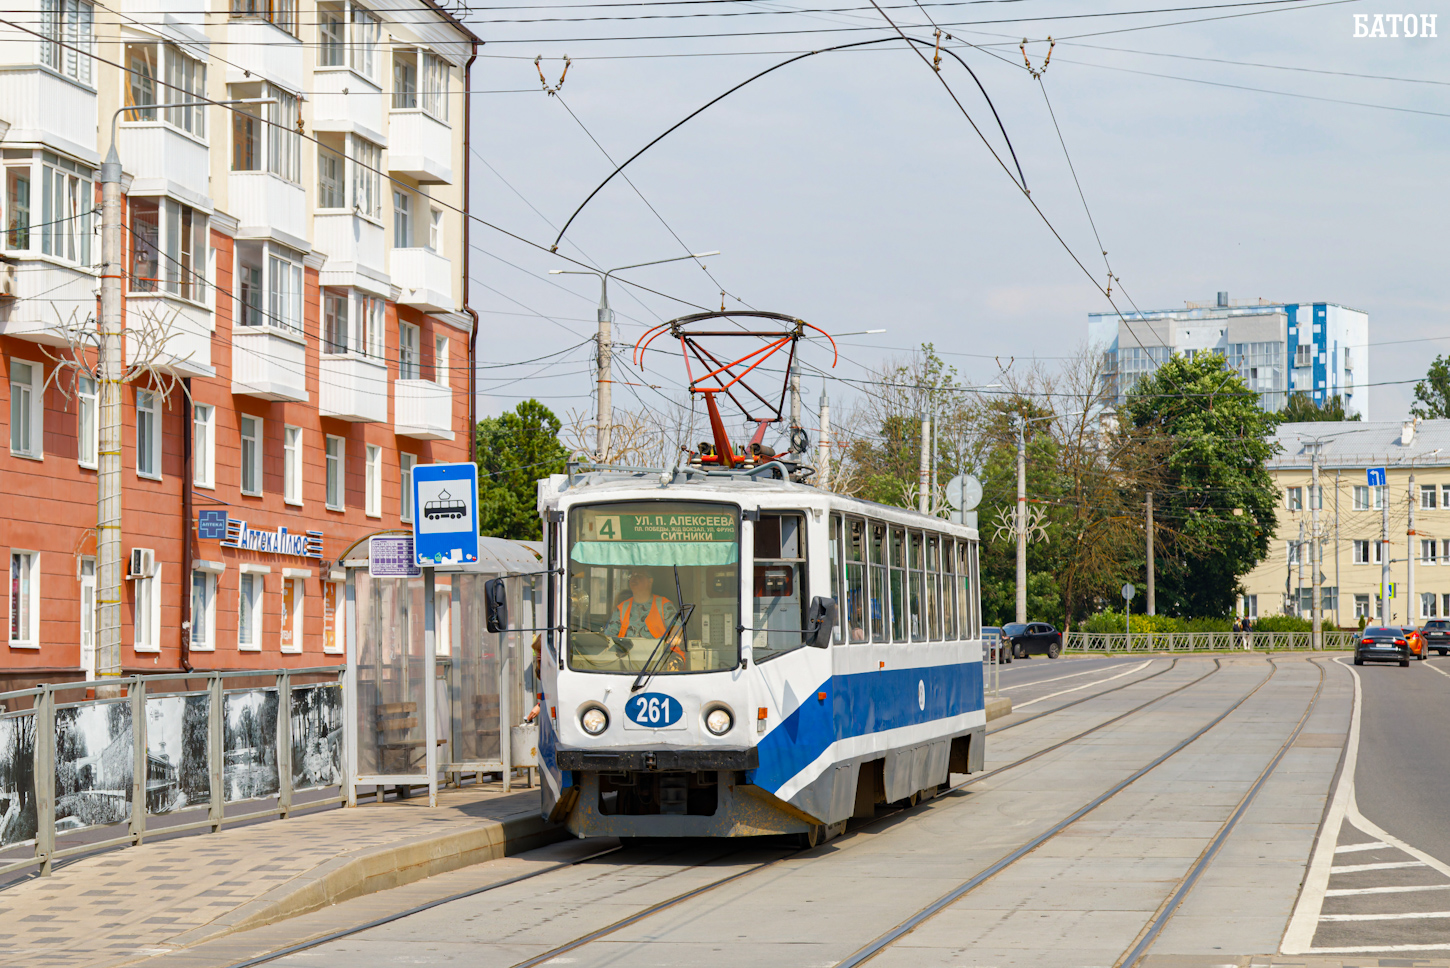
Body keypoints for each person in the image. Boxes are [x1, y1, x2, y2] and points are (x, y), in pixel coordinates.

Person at [604, 569, 686, 668]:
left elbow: (677, 628)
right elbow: (609, 635)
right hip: (628, 657)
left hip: (661, 656)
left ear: (650, 581)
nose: (634, 578)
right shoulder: (622, 608)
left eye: (639, 575)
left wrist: (674, 638)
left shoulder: (664, 605)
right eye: (631, 576)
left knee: (673, 666)